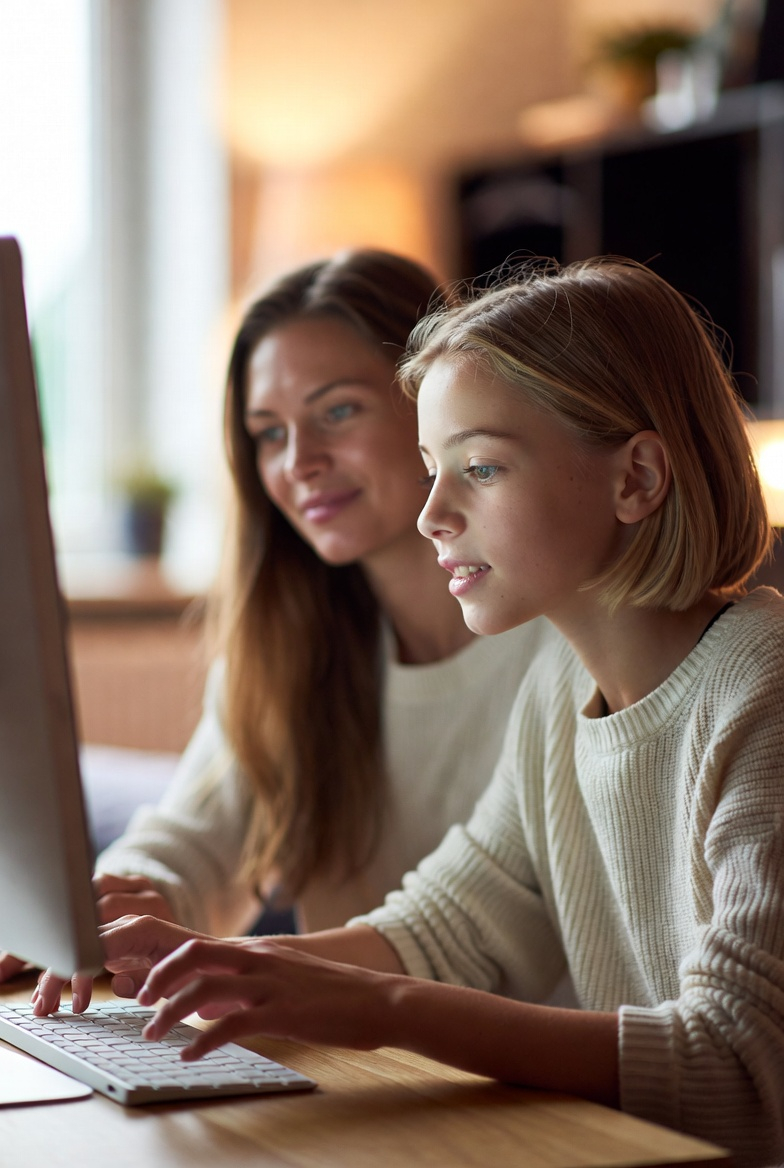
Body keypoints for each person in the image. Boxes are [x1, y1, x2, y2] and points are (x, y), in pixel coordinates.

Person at [35, 255, 784, 1168]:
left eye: (479, 467)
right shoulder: (562, 692)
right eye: (434, 469)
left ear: (636, 480)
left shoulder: (758, 687)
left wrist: (369, 1006)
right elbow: (454, 928)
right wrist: (238, 968)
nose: (435, 513)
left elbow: (739, 1068)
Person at [0, 248, 554, 984]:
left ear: (438, 403)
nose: (299, 461)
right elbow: (198, 843)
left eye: (337, 411)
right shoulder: (293, 648)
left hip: (530, 1083)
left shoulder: (567, 639)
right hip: (365, 1071)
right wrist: (118, 905)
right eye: (269, 433)